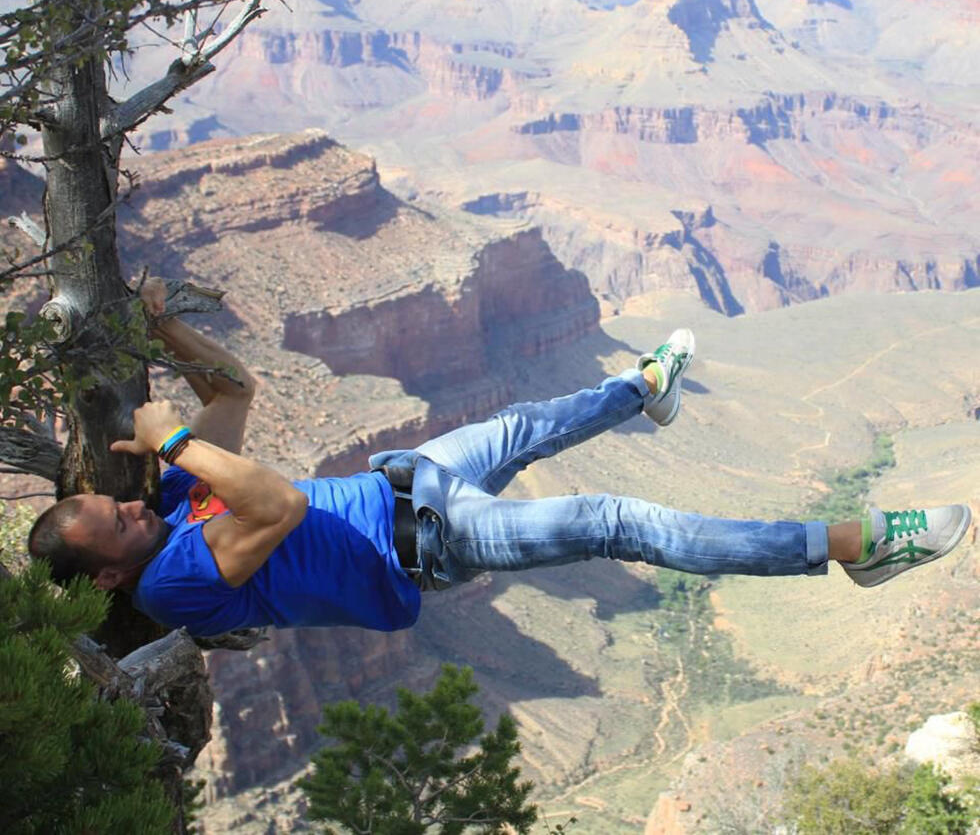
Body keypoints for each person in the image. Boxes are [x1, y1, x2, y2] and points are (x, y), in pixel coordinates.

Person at [28, 279, 972, 638]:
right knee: (616, 522)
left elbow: (235, 392)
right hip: (429, 543)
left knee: (527, 421)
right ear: (110, 573)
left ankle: (645, 390)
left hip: (412, 477)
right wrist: (170, 440)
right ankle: (853, 546)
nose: (139, 507)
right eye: (122, 523)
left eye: (126, 502)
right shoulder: (175, 583)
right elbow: (273, 506)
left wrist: (168, 333)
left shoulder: (180, 509)